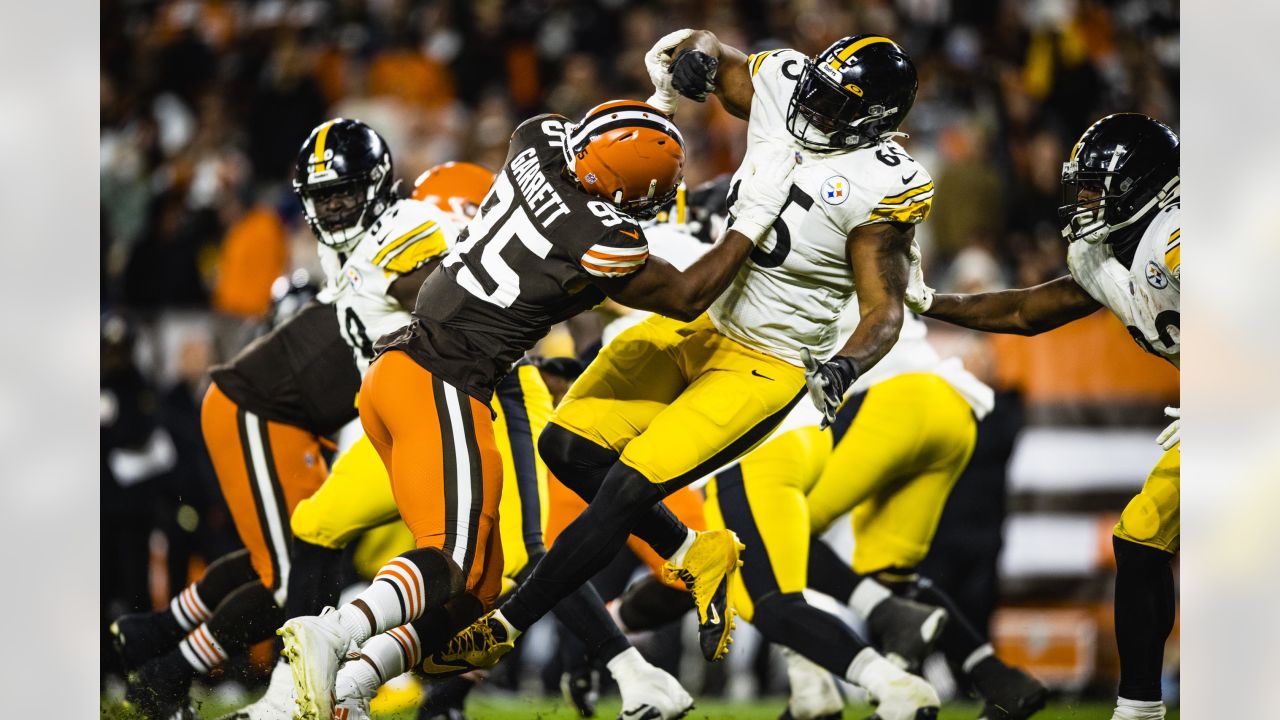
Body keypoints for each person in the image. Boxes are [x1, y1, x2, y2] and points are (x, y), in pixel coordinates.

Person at [431, 30, 945, 720]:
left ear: (874, 122)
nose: (809, 107)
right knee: (566, 448)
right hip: (701, 321)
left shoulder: (886, 185)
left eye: (830, 104)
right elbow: (715, 60)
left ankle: (503, 629)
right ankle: (694, 550)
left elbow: (882, 308)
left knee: (621, 488)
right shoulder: (789, 84)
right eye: (814, 90)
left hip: (767, 358)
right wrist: (683, 70)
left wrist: (848, 362)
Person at [278, 99, 793, 720]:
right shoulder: (606, 239)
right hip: (443, 382)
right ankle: (333, 636)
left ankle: (353, 688)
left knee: (478, 588)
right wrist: (752, 220)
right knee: (453, 558)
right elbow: (685, 296)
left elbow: (608, 148)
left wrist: (655, 103)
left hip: (399, 375)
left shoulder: (535, 143)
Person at [905, 113, 1179, 720]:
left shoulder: (1180, 238)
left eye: (1095, 189)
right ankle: (1138, 709)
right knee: (1140, 539)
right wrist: (932, 301)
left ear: (1142, 184)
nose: (1082, 203)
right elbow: (1030, 310)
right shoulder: (1112, 255)